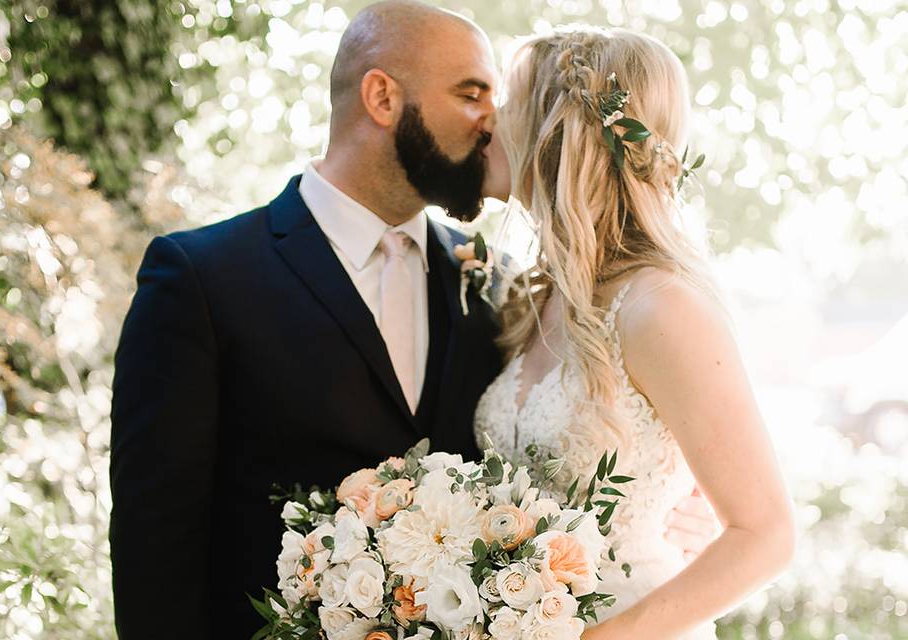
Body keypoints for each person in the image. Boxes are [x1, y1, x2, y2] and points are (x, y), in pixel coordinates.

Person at [109, 3, 717, 637]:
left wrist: (676, 509)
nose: (494, 121)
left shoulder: (505, 287)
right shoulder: (203, 279)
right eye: (471, 93)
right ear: (381, 97)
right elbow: (156, 550)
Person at [475, 25, 796, 638]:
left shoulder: (661, 306)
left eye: (511, 102)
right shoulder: (539, 302)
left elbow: (766, 535)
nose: (491, 118)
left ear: (557, 130)